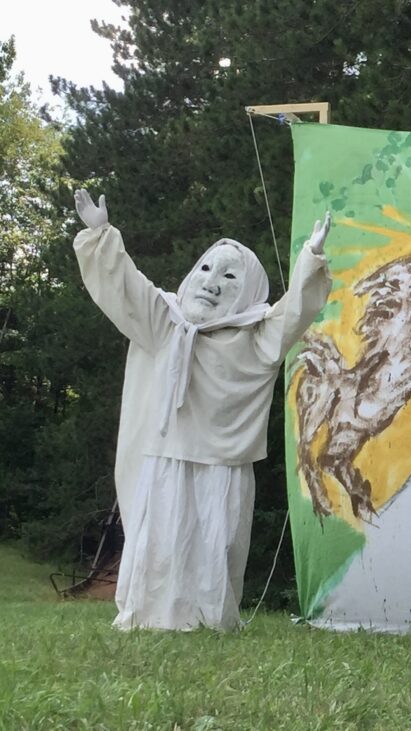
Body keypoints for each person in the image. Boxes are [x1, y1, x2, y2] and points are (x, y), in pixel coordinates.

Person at [72, 189, 332, 631]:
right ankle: (150, 616)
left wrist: (310, 257)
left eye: (230, 278)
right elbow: (126, 288)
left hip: (222, 462)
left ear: (247, 291)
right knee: (161, 538)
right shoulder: (164, 322)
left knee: (214, 541)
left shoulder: (256, 337)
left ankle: (208, 618)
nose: (212, 283)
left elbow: (294, 313)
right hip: (166, 459)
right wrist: (101, 234)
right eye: (207, 269)